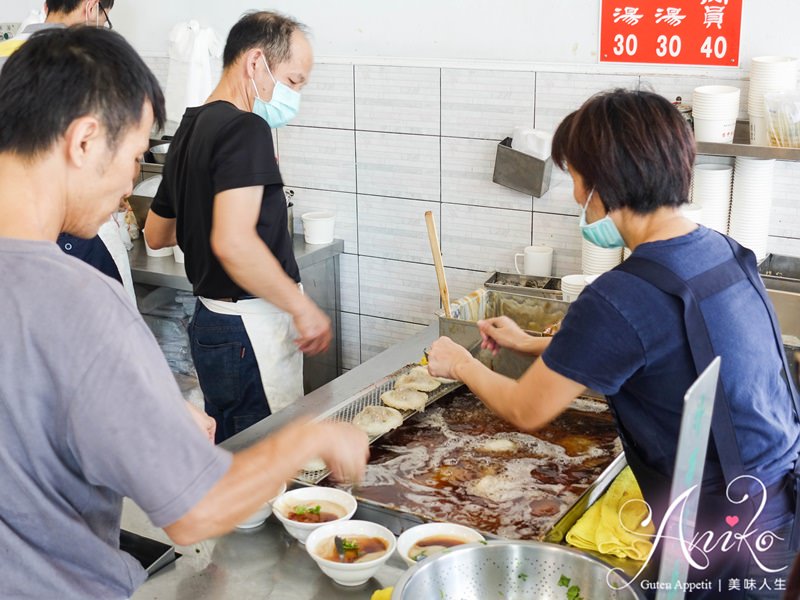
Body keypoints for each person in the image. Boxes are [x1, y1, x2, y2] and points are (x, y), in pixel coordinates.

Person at [0, 27, 368, 599]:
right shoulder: (78, 301)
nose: (130, 182)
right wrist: (306, 440)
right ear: (85, 141)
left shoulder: (197, 125)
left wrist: (151, 409)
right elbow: (195, 511)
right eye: (131, 155)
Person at [427, 90, 800, 599]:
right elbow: (660, 348)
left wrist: (461, 362)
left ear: (602, 179)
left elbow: (527, 408)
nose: (577, 195)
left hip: (718, 532)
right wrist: (534, 344)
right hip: (774, 504)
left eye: (575, 176)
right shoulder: (722, 251)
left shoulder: (625, 292)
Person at [146, 11, 332, 443]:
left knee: (232, 454)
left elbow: (157, 234)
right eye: (293, 80)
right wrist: (303, 309)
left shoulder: (190, 126)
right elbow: (233, 243)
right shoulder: (247, 128)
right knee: (262, 469)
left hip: (212, 325)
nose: (295, 95)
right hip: (252, 330)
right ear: (255, 63)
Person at [0, 0, 134, 301]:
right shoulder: (88, 66)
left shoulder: (5, 52)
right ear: (90, 7)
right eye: (105, 18)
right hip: (70, 233)